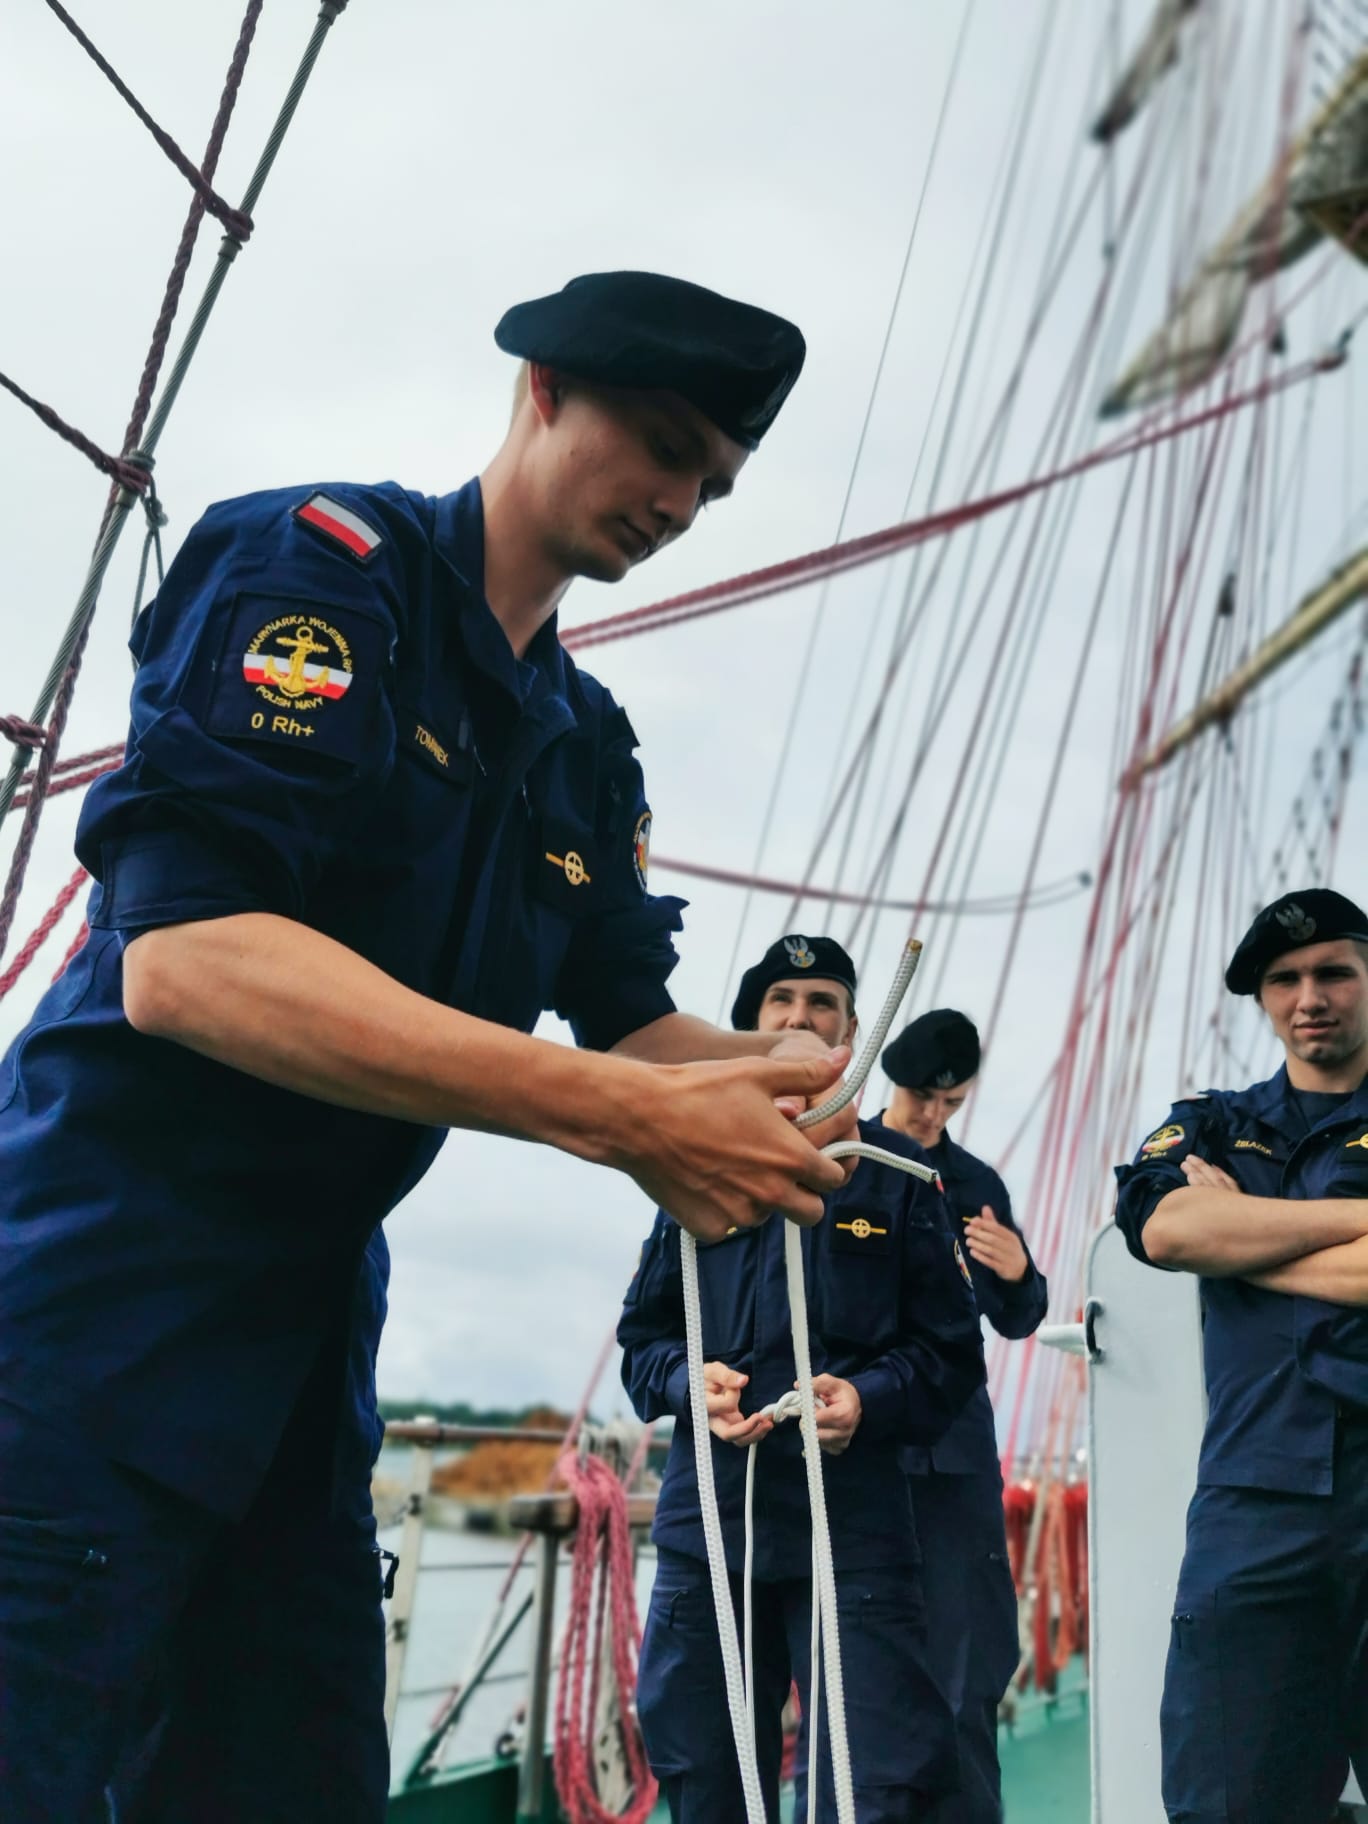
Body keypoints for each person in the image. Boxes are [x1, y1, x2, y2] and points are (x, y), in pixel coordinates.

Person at [0, 272, 861, 1824]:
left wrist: (775, 1089)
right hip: (79, 1333)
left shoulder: (584, 749)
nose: (681, 503)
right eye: (664, 447)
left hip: (299, 1371)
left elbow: (631, 1025)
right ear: (542, 389)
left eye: (714, 484)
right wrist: (616, 1116)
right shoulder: (321, 575)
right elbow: (186, 962)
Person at [619, 934, 987, 1824]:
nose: (801, 1016)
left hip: (853, 1532)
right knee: (705, 1778)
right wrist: (688, 1385)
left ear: (851, 1035)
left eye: (823, 1003)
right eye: (781, 1001)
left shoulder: (902, 1186)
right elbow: (643, 1343)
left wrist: (870, 1399)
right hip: (712, 1528)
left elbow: (952, 1356)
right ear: (750, 1029)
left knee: (867, 1789)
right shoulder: (694, 1174)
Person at [1114, 886, 1368, 1824]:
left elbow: (1209, 1238)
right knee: (1229, 1800)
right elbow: (1167, 1232)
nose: (1311, 997)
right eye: (1285, 979)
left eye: (1334, 972)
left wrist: (1245, 1246)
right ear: (1262, 999)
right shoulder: (1211, 1122)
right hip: (1254, 1502)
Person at [876, 1009, 1047, 1824]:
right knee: (857, 1665)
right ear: (892, 1080)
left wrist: (1018, 1275)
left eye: (951, 1103)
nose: (933, 1115)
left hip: (953, 1453)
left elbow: (1017, 1317)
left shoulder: (976, 1185)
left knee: (970, 1665)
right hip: (859, 1448)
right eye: (922, 1097)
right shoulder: (842, 1162)